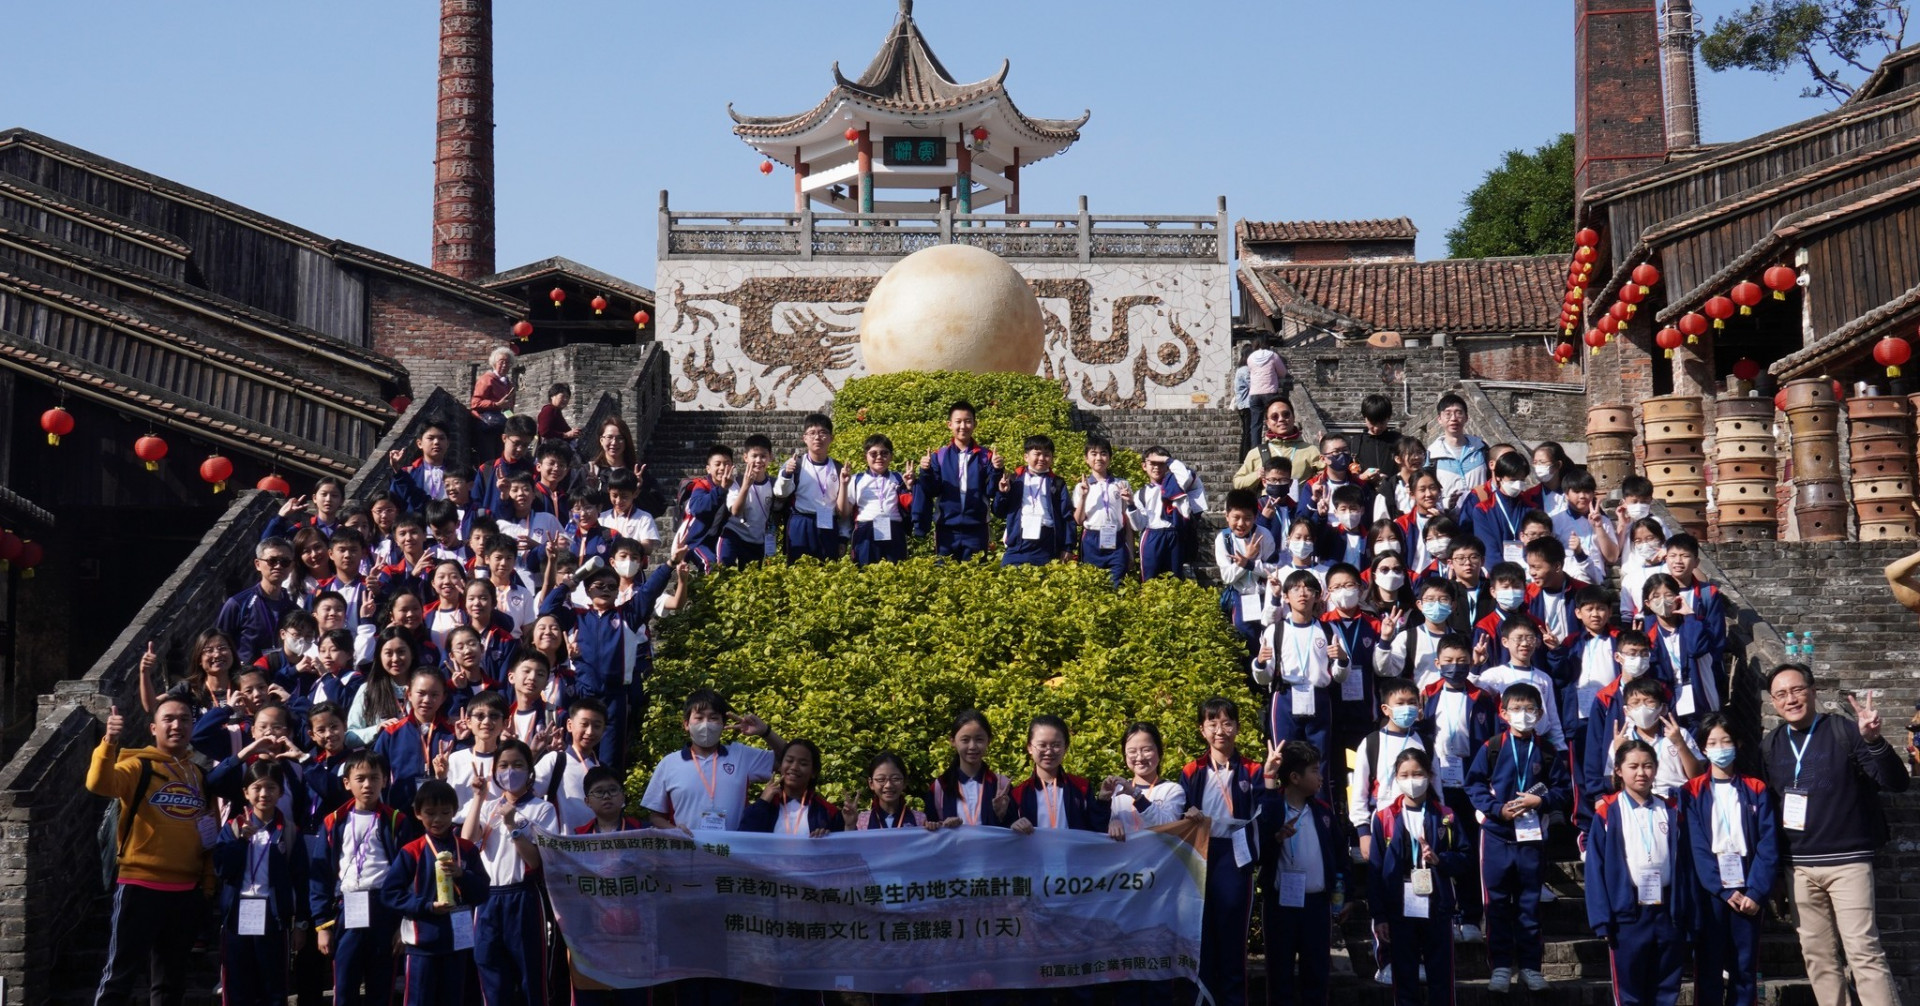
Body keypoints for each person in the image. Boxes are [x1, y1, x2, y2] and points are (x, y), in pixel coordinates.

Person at [1761, 664, 1907, 1006]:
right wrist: (1777, 872)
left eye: (1797, 690)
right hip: (1798, 867)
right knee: (1818, 958)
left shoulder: (1844, 730)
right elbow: (1770, 807)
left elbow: (1896, 782)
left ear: (1813, 691)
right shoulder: (1771, 745)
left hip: (1848, 863)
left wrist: (1873, 741)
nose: (1790, 699)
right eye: (1781, 694)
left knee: (1864, 953)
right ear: (1773, 702)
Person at [88, 696, 213, 1006]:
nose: (177, 725)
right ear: (153, 727)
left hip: (186, 891)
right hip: (140, 885)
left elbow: (208, 828)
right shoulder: (137, 765)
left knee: (171, 984)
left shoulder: (198, 775)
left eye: (184, 719)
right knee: (120, 976)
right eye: (169, 719)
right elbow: (99, 785)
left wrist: (207, 882)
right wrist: (109, 743)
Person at [1466, 682, 1568, 993]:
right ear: (1503, 712)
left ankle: (1529, 967)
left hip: (1532, 838)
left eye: (1530, 709)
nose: (1523, 715)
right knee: (1496, 903)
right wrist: (1496, 809)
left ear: (1540, 714)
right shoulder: (1492, 746)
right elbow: (1475, 786)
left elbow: (1564, 791)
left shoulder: (1548, 751)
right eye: (1517, 709)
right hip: (1496, 836)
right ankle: (1499, 967)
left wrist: (1543, 802)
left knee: (1528, 904)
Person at [1681, 715, 1780, 1006]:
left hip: (1749, 887)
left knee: (1745, 968)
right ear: (1703, 749)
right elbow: (1696, 845)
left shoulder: (1756, 788)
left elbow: (1767, 843)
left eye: (1726, 741)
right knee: (1708, 967)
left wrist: (1757, 891)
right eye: (1712, 743)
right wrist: (1721, 889)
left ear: (1737, 744)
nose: (1720, 748)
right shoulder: (1691, 791)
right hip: (1710, 891)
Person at [313, 750, 419, 1006]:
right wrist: (322, 925)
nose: (368, 784)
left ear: (385, 780)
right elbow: (320, 876)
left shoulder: (397, 821)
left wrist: (404, 923)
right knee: (345, 984)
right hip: (347, 907)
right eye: (360, 778)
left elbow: (409, 875)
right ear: (347, 782)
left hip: (384, 908)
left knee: (381, 984)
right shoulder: (333, 822)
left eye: (374, 777)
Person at [1585, 740, 1686, 1006]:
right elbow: (1595, 868)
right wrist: (1601, 919)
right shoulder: (1608, 812)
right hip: (1627, 913)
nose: (1641, 773)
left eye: (1648, 765)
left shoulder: (1671, 809)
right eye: (1633, 766)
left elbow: (1684, 863)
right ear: (1619, 770)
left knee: (1666, 987)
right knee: (1630, 991)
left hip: (1667, 910)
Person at [1367, 748, 1467, 1006]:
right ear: (1396, 778)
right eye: (1405, 774)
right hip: (1399, 910)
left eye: (1418, 773)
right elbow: (1376, 870)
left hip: (1438, 907)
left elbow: (1465, 859)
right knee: (1404, 978)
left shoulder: (1446, 816)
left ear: (1430, 775)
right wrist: (1379, 915)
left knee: (1441, 978)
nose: (1412, 780)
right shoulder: (1384, 818)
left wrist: (1439, 860)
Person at [1180, 698, 1263, 1006]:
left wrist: (1269, 780)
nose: (1220, 730)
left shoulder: (1253, 770)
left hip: (1236, 858)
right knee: (1200, 939)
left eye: (1227, 723)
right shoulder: (1191, 771)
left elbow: (1266, 815)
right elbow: (1177, 815)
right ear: (1202, 730)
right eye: (1212, 724)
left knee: (1232, 941)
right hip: (1199, 857)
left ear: (1237, 728)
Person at [461, 738, 557, 1006]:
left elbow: (537, 861)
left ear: (529, 770)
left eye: (518, 764)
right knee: (490, 971)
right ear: (494, 771)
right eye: (503, 765)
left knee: (530, 975)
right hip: (488, 898)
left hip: (524, 897)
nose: (510, 771)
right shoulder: (487, 806)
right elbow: (468, 841)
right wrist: (479, 798)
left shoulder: (542, 808)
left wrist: (513, 826)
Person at [1257, 739, 1351, 1006]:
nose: (1320, 777)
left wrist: (1346, 895)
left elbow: (1340, 856)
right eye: (1314, 771)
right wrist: (1275, 837)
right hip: (1280, 904)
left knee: (1317, 974)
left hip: (1316, 904)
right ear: (1295, 777)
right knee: (1279, 974)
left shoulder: (1322, 813)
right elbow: (1258, 847)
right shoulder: (1272, 808)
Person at [382, 780, 487, 1006]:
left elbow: (483, 892)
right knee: (419, 1000)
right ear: (418, 813)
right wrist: (427, 906)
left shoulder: (466, 849)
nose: (437, 819)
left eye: (445, 812)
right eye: (430, 813)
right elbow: (390, 893)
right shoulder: (412, 851)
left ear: (455, 812)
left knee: (454, 999)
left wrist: (462, 874)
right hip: (422, 945)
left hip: (458, 943)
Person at [213, 760, 306, 1006]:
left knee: (273, 988)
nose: (264, 794)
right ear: (246, 792)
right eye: (257, 787)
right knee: (237, 987)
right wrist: (240, 842)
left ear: (281, 792)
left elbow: (300, 878)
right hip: (237, 916)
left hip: (273, 917)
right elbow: (222, 869)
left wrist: (302, 923)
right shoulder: (233, 828)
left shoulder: (289, 831)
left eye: (271, 787)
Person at [1253, 570, 1343, 802]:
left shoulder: (1328, 630)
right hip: (1285, 696)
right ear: (1285, 596)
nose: (1302, 593)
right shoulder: (1276, 630)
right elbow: (1263, 678)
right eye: (1295, 589)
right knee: (1283, 756)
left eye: (1308, 589)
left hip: (1319, 698)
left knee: (1320, 760)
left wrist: (1342, 660)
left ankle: (1322, 813)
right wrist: (1260, 664)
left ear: (1317, 596)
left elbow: (1340, 675)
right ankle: (1283, 812)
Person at [640, 689, 784, 832]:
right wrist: (675, 832)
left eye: (713, 718)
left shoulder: (741, 755)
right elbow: (655, 816)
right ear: (686, 724)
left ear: (723, 724)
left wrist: (765, 731)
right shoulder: (669, 763)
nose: (706, 724)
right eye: (699, 718)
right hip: (687, 851)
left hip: (731, 851)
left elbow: (787, 759)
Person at [911, 401, 1002, 560]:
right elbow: (932, 490)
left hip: (977, 527)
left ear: (975, 424)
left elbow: (991, 491)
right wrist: (925, 471)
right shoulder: (939, 455)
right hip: (946, 527)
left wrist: (996, 469)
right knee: (944, 572)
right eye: (958, 421)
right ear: (949, 424)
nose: (963, 426)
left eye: (968, 421)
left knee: (976, 574)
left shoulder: (985, 456)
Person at [773, 413, 847, 562]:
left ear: (831, 438)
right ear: (804, 438)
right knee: (797, 569)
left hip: (828, 524)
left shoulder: (838, 468)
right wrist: (787, 473)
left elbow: (844, 508)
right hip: (801, 523)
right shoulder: (795, 464)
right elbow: (780, 493)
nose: (817, 437)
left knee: (828, 569)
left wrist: (843, 537)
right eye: (812, 433)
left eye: (823, 433)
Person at [219, 539, 303, 667]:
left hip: (283, 678)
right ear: (258, 564)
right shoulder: (238, 604)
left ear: (291, 566)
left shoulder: (294, 609)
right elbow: (220, 643)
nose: (278, 566)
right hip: (248, 679)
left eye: (285, 562)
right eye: (272, 561)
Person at [996, 435, 1075, 566]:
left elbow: (1067, 516)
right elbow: (999, 512)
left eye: (1047, 455)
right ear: (1026, 457)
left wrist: (1067, 546)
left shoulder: (1057, 483)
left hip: (1046, 542)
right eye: (1037, 454)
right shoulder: (1014, 480)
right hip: (1018, 542)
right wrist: (1003, 493)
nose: (1042, 459)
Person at [926, 710, 1013, 829]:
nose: (972, 746)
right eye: (965, 740)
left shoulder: (1001, 785)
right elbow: (931, 832)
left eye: (979, 739)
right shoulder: (940, 787)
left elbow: (1014, 831)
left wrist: (1002, 815)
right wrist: (942, 826)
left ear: (989, 740)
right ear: (952, 741)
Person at [742, 739, 844, 837]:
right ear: (780, 766)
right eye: (789, 760)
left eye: (803, 764)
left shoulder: (828, 812)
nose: (794, 767)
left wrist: (826, 839)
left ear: (813, 772)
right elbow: (744, 840)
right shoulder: (766, 805)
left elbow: (844, 848)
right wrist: (762, 802)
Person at [1133, 446, 1207, 581]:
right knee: (1150, 577)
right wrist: (1130, 505)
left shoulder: (1175, 483)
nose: (1157, 467)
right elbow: (1138, 524)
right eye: (1152, 463)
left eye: (1161, 463)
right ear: (1144, 466)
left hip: (1173, 533)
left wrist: (1168, 460)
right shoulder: (1141, 493)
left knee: (1175, 577)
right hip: (1151, 535)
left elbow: (1185, 475)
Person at [1217, 489, 1279, 650]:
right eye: (1236, 518)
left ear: (1255, 517)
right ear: (1227, 516)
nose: (1241, 524)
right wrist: (1246, 559)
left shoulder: (1264, 534)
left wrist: (1249, 563)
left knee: (1270, 640)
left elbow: (1274, 570)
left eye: (1247, 518)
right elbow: (1227, 577)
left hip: (1265, 596)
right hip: (1241, 597)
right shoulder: (1223, 539)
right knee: (1246, 642)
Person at [841, 434, 914, 566]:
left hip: (894, 530)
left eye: (884, 453)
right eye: (873, 454)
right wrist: (844, 485)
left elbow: (909, 507)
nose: (879, 457)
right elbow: (845, 512)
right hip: (865, 530)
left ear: (891, 456)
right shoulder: (856, 479)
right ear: (865, 457)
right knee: (864, 572)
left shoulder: (899, 478)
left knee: (896, 573)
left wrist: (909, 487)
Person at [1074, 436, 1134, 585]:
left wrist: (1131, 553)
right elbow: (1079, 521)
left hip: (1117, 539)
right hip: (1091, 540)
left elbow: (1127, 522)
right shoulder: (1081, 486)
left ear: (1110, 458)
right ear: (1086, 459)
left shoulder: (1122, 484)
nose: (1099, 458)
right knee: (1092, 585)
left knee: (1117, 584)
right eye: (1094, 454)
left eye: (1104, 453)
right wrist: (1083, 497)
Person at [1234, 398, 1320, 490]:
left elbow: (1329, 477)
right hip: (1267, 504)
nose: (1281, 419)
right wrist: (1257, 475)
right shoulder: (1256, 453)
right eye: (1275, 416)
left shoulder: (1310, 450)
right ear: (1268, 423)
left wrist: (1328, 452)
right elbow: (1237, 483)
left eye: (1286, 414)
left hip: (1299, 503)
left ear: (1293, 417)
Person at [720, 434, 777, 567]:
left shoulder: (774, 484)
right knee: (724, 570)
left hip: (758, 540)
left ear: (770, 457)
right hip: (734, 536)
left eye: (763, 456)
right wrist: (746, 486)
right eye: (754, 456)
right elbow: (736, 511)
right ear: (745, 457)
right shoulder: (737, 482)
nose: (759, 460)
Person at [1425, 394, 1488, 510]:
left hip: (1481, 517)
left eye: (1458, 413)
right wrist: (1445, 504)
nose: (1453, 418)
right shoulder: (1432, 455)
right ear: (1439, 419)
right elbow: (1426, 493)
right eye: (1448, 414)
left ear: (1466, 417)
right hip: (1448, 521)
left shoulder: (1481, 448)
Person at [853, 752, 926, 830]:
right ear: (871, 783)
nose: (888, 785)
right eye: (881, 779)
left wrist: (935, 830)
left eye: (895, 779)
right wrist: (849, 825)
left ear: (905, 782)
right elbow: (851, 841)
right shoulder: (861, 820)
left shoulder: (920, 820)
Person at [1243, 336, 1291, 450]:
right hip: (1270, 392)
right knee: (1274, 419)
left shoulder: (1250, 357)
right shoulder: (1273, 355)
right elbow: (1283, 373)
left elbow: (1250, 372)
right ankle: (1274, 444)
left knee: (1255, 424)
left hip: (1254, 393)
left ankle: (1255, 449)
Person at [470, 346, 517, 444]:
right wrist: (496, 404)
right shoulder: (487, 379)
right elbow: (475, 403)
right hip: (487, 425)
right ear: (494, 363)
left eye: (507, 362)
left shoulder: (509, 384)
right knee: (488, 457)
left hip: (502, 426)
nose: (504, 365)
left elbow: (509, 408)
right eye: (501, 361)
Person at [1352, 394, 1401, 480]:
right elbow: (1347, 475)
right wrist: (1362, 477)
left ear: (1388, 418)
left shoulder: (1399, 441)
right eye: (1373, 423)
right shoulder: (1355, 443)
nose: (1377, 428)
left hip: (1393, 491)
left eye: (1382, 423)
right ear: (1365, 417)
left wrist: (1390, 480)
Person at [1232, 343, 1253, 453]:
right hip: (1247, 404)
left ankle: (1243, 455)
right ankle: (1246, 455)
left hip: (1242, 405)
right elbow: (1252, 384)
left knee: (1246, 431)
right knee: (1248, 431)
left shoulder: (1240, 369)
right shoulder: (1245, 370)